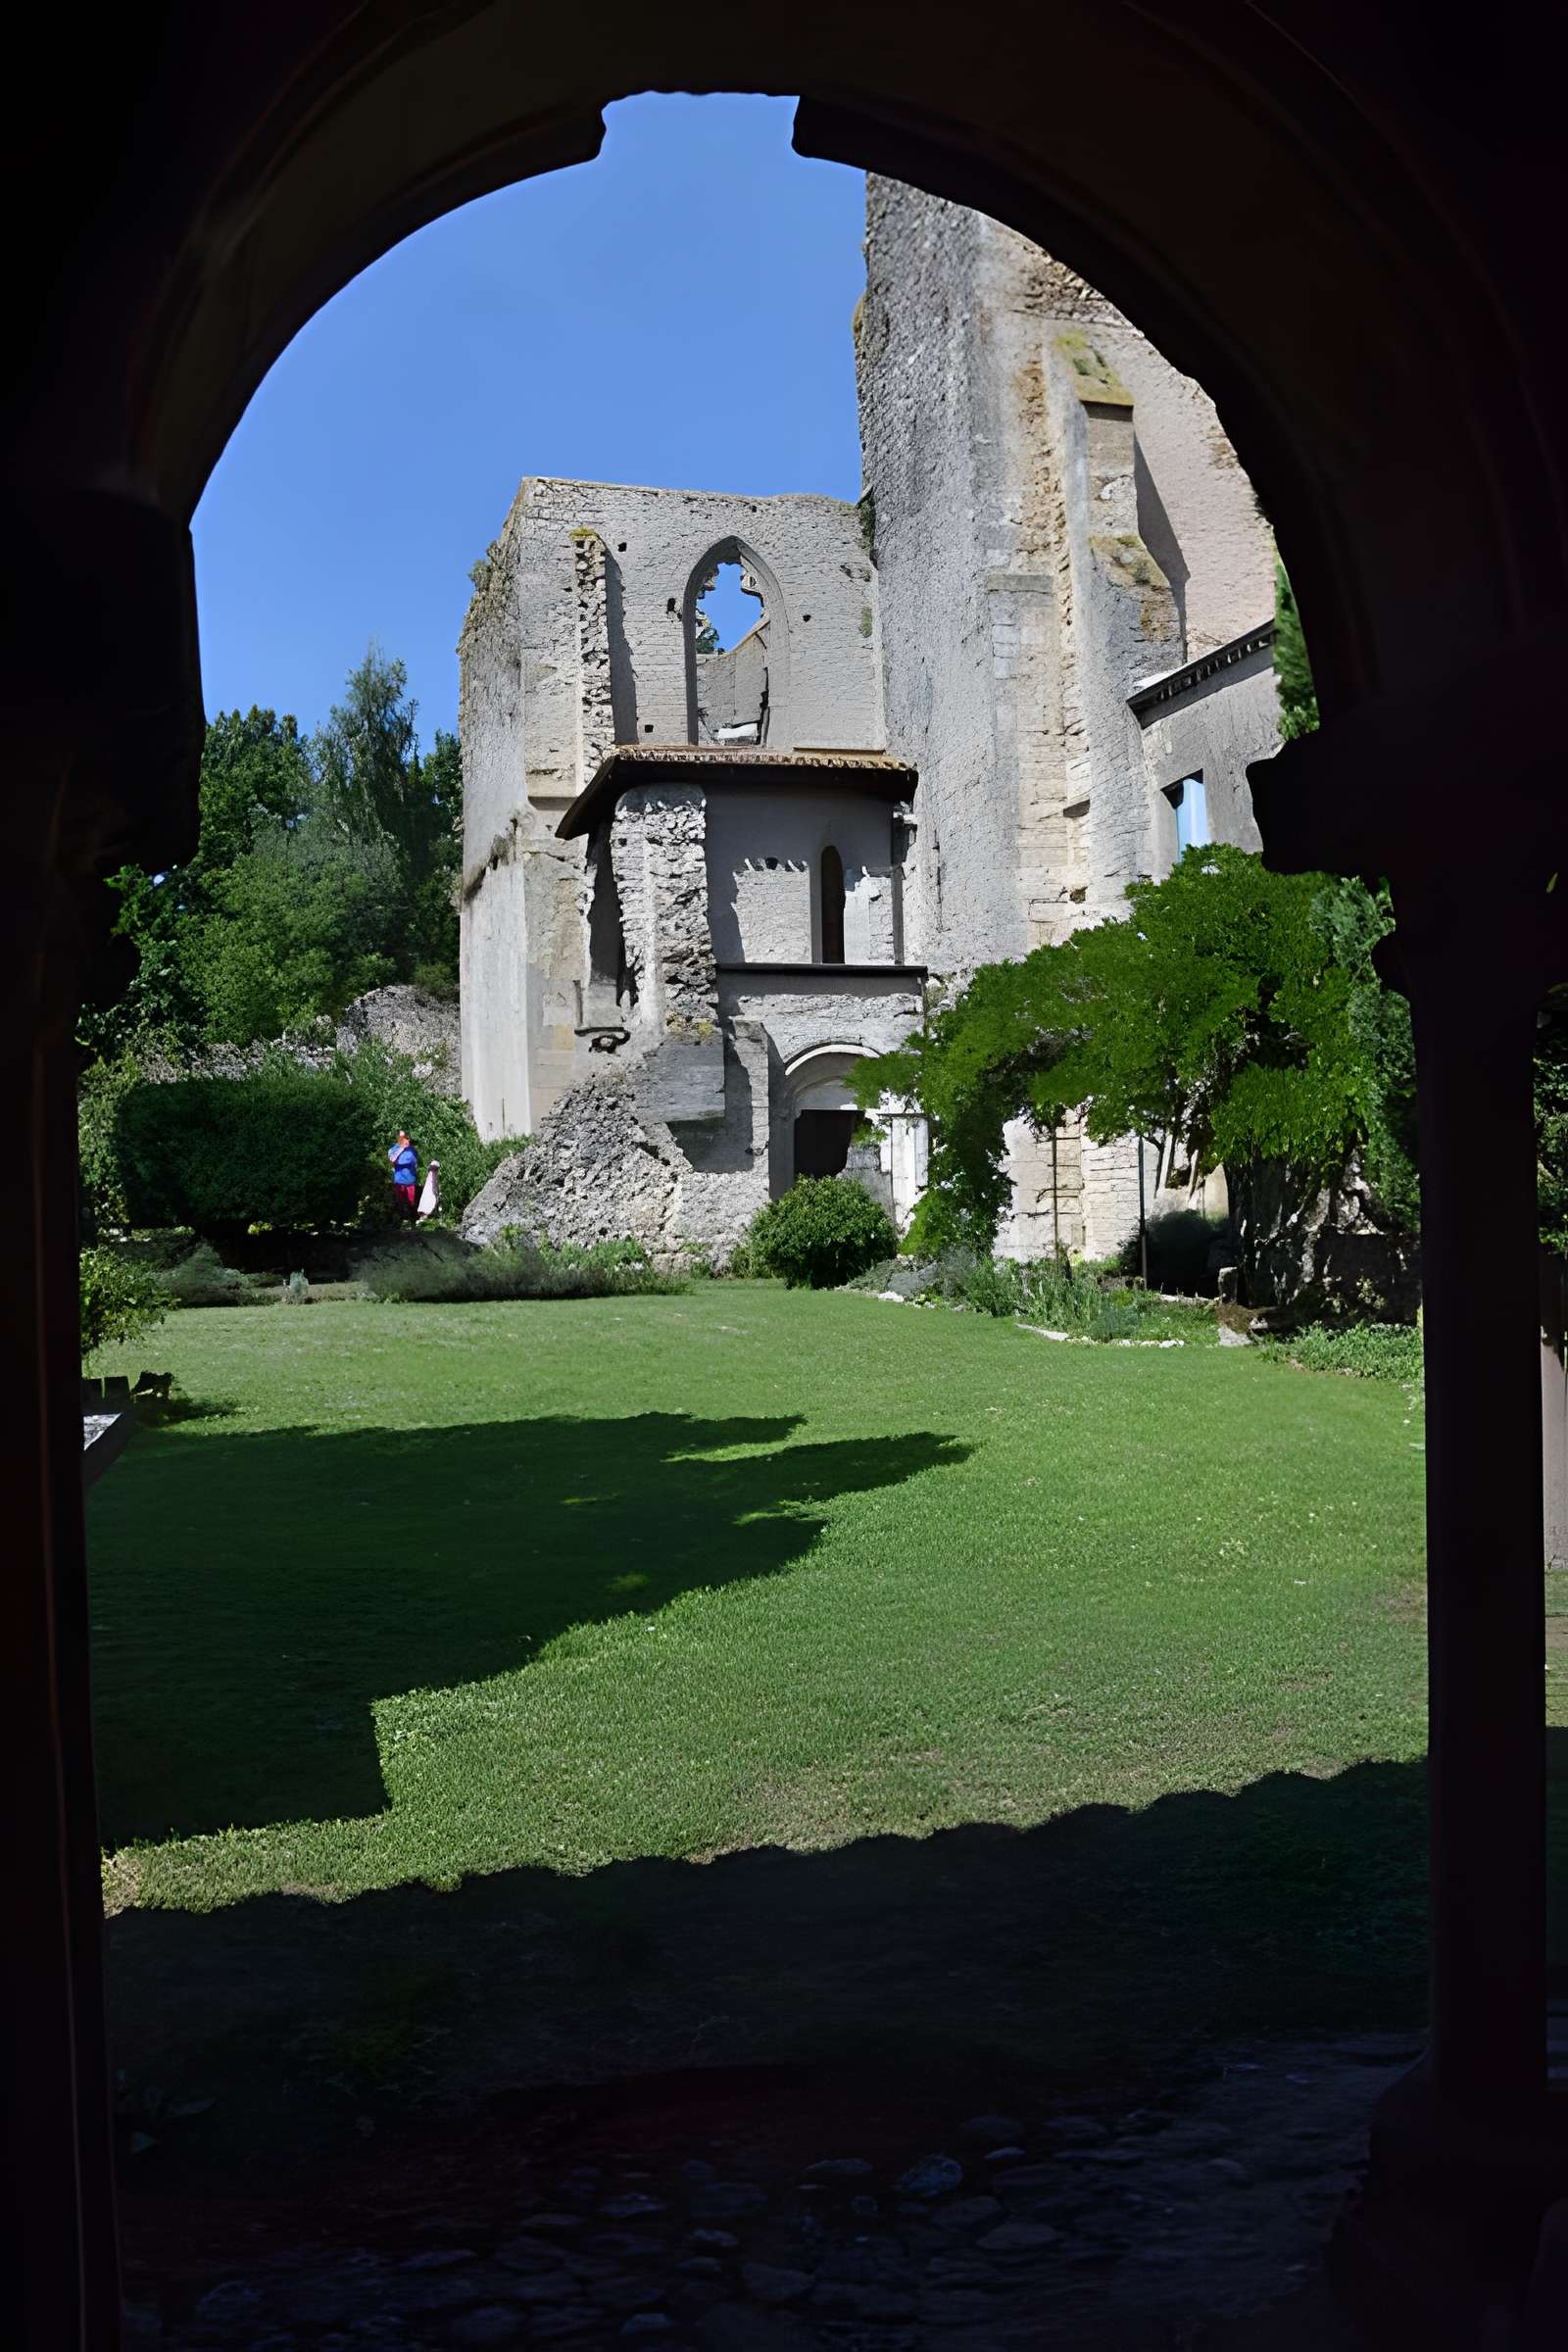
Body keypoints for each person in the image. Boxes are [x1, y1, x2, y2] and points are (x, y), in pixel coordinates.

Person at [388, 1129, 418, 1221]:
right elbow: (391, 1158)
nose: (403, 1139)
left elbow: (411, 1160)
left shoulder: (411, 1150)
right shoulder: (394, 1148)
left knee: (411, 1201)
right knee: (400, 1201)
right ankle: (401, 1218)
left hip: (410, 1180)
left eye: (405, 1137)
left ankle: (411, 1218)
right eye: (401, 1137)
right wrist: (400, 1150)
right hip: (399, 1179)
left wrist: (398, 1161)